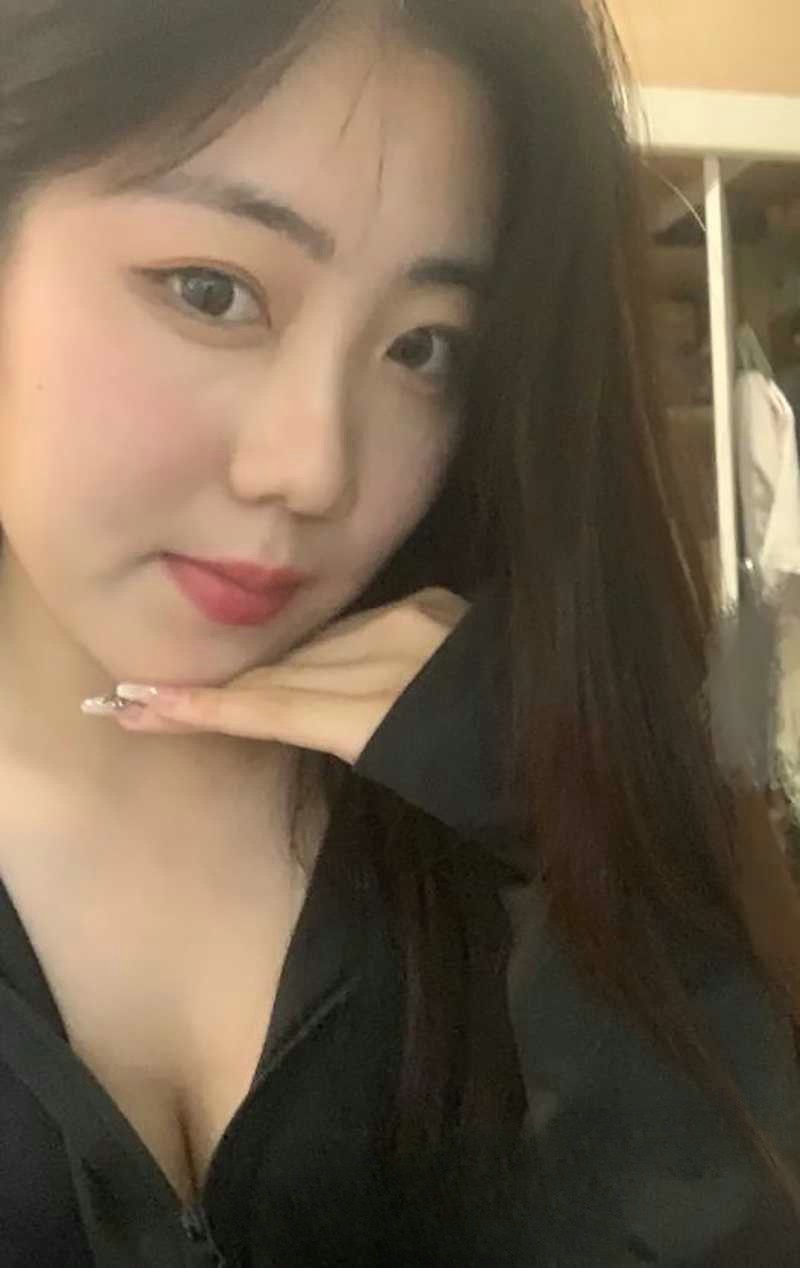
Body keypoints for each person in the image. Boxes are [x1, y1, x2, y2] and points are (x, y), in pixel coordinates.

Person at [1, 1, 800, 1265]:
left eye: (421, 348)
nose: (312, 469)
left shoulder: (511, 820)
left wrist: (571, 809)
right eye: (211, 291)